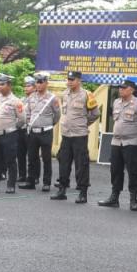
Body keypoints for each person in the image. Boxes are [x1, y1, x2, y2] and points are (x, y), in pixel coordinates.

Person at [99, 79, 137, 210]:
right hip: (116, 141)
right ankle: (114, 197)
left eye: (124, 88)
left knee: (133, 171)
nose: (121, 89)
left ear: (132, 89)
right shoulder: (116, 102)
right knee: (115, 170)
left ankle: (133, 199)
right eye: (120, 87)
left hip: (131, 142)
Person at [51, 71, 99, 203]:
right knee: (63, 162)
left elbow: (95, 113)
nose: (69, 82)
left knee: (81, 164)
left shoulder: (87, 95)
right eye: (68, 79)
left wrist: (84, 123)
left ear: (79, 81)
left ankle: (83, 192)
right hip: (66, 134)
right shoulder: (65, 94)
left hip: (79, 135)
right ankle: (62, 189)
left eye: (72, 79)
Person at [0, 73, 24, 194]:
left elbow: (22, 119)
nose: (0, 86)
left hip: (9, 134)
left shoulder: (16, 101)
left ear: (9, 85)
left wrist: (11, 128)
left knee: (10, 160)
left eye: (3, 84)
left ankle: (11, 185)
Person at [20, 72, 60, 192]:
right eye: (37, 82)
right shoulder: (31, 97)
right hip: (33, 131)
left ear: (46, 83)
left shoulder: (52, 98)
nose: (38, 84)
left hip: (46, 131)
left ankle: (46, 183)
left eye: (41, 82)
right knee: (32, 157)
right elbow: (28, 113)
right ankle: (31, 181)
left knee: (46, 158)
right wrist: (29, 124)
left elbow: (57, 115)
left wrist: (48, 124)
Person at [17, 75, 35, 184]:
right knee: (20, 154)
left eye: (29, 86)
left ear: (34, 87)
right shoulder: (22, 100)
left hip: (31, 129)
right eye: (25, 86)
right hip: (21, 129)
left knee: (32, 155)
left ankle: (33, 176)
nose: (26, 88)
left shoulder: (36, 100)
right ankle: (22, 175)